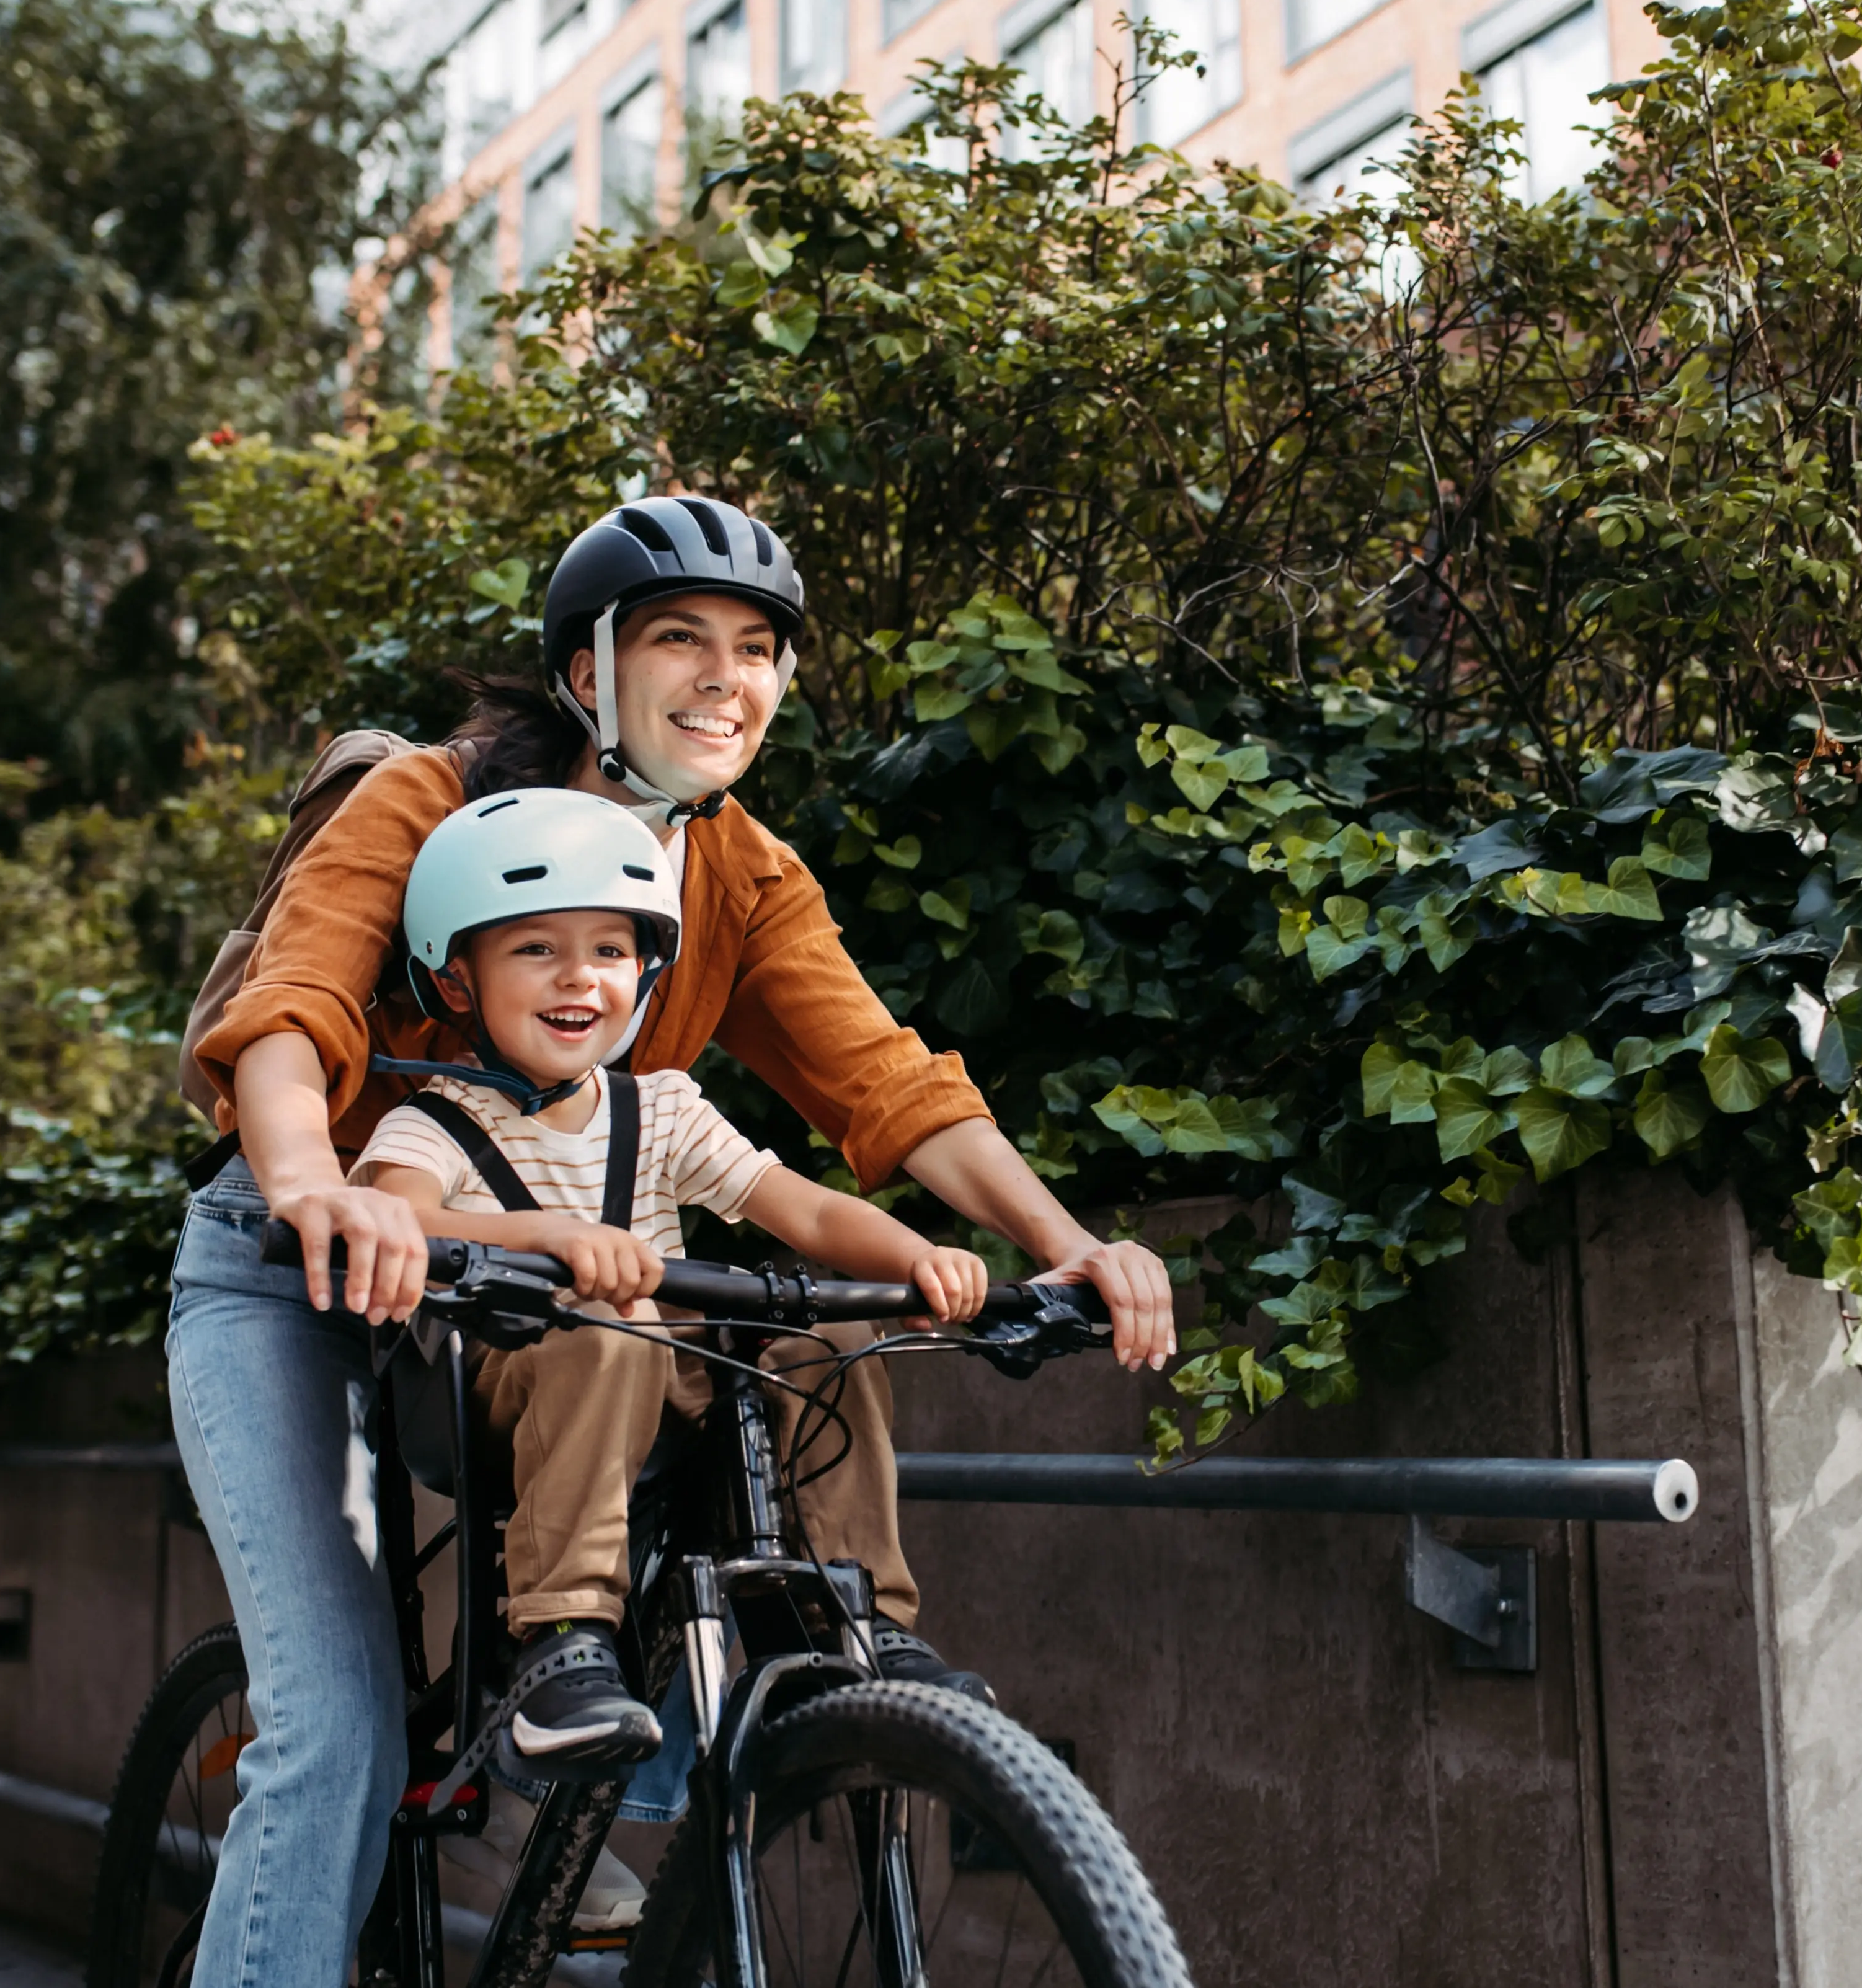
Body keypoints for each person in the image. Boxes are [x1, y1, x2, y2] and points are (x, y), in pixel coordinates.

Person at [167, 493, 1174, 1986]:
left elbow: (884, 1085)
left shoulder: (740, 872)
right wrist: (320, 1180)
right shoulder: (426, 805)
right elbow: (298, 1005)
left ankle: (583, 1779)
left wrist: (1067, 1240)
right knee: (338, 1725)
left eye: (758, 648)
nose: (727, 677)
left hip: (557, 1282)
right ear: (590, 675)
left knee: (758, 1429)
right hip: (300, 1249)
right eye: (681, 640)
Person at [350, 786, 992, 1768]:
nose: (580, 977)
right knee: (606, 1318)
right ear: (456, 982)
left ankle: (850, 1616)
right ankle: (560, 1640)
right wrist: (552, 1236)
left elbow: (805, 1208)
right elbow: (390, 1214)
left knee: (829, 1339)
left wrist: (917, 1256)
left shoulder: (660, 1108)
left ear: (645, 970)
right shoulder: (429, 1121)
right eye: (535, 949)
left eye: (610, 950)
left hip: (665, 1375)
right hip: (500, 1386)